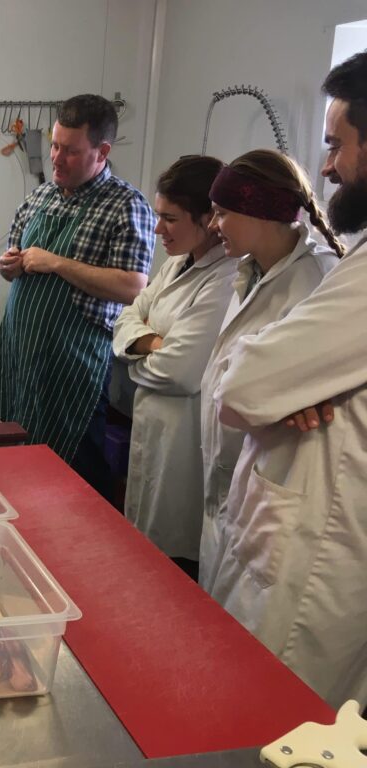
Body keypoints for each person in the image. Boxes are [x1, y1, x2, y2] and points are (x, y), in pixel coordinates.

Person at [206, 51, 367, 708]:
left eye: (337, 143)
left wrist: (283, 386)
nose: (327, 165)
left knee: (272, 717)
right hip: (286, 522)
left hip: (316, 546)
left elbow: (242, 385)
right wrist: (292, 387)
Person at [0, 94, 155, 501]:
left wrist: (57, 263)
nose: (57, 158)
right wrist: (8, 264)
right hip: (19, 360)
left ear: (103, 152)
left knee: (74, 480)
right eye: (55, 145)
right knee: (14, 466)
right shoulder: (40, 196)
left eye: (71, 150)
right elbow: (11, 261)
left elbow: (133, 285)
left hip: (74, 368)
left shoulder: (126, 205)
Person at [198, 149, 340, 590]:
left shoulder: (315, 282)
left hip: (269, 477)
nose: (212, 224)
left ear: (257, 212)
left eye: (221, 212)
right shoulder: (249, 272)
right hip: (228, 475)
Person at [112, 156, 234, 572]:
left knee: (175, 560)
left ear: (210, 218)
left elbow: (180, 373)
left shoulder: (225, 277)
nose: (158, 229)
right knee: (143, 551)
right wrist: (152, 343)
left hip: (186, 440)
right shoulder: (176, 262)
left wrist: (136, 358)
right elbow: (126, 316)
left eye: (170, 218)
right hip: (153, 423)